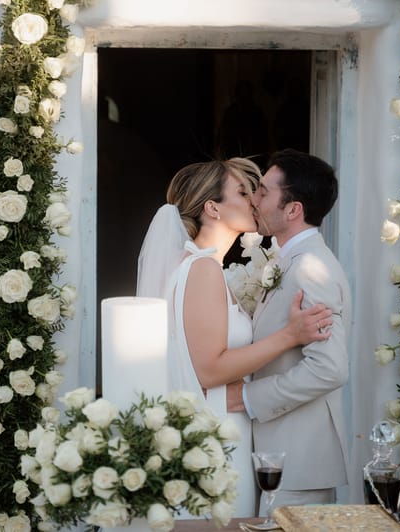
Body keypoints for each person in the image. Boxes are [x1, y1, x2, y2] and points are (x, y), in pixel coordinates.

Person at [137, 157, 333, 518]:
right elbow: (210, 369)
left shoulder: (201, 265)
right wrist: (290, 335)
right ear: (212, 208)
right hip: (218, 437)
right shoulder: (202, 268)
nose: (254, 200)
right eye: (242, 193)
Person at [227, 149, 352, 511]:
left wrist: (250, 398)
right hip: (278, 458)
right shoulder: (291, 261)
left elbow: (329, 367)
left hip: (298, 464)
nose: (254, 199)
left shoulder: (312, 268)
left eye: (263, 192)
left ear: (293, 209)